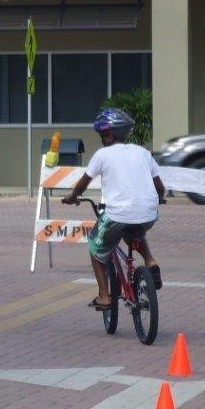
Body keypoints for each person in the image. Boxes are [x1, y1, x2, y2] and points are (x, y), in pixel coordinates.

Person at [62, 108, 166, 311]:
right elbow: (159, 187)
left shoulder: (103, 154)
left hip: (117, 214)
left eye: (102, 135)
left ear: (109, 135)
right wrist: (160, 199)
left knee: (94, 246)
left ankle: (104, 296)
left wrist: (72, 197)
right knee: (134, 231)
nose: (102, 139)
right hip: (149, 213)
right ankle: (150, 261)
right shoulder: (143, 152)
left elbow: (83, 184)